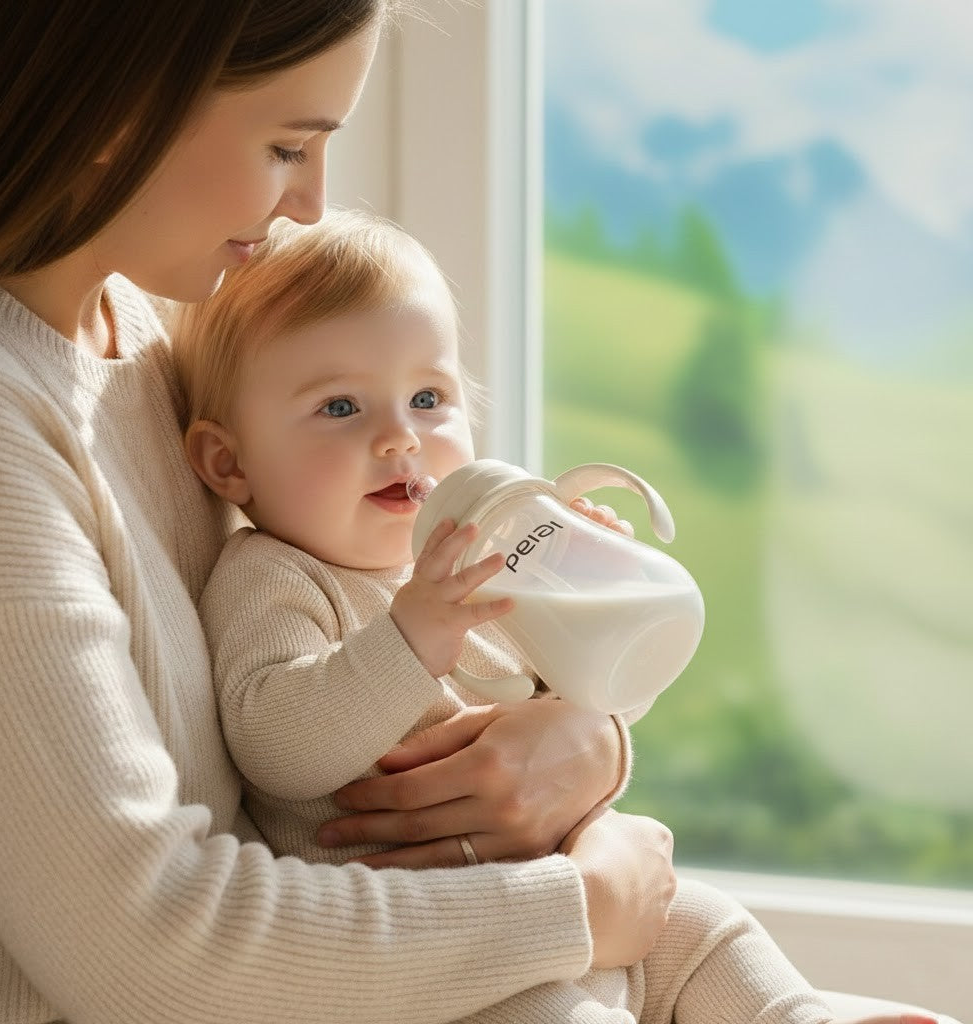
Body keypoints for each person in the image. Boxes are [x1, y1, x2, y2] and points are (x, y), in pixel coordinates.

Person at [0, 3, 941, 1024]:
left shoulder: (160, 337)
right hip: (368, 961)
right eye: (289, 144)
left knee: (708, 930)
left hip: (425, 930)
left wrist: (580, 741)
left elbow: (490, 673)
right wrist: (585, 904)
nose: (309, 203)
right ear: (122, 105)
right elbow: (154, 949)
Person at [169, 207, 882, 1024]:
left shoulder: (478, 556)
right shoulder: (273, 575)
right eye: (340, 408)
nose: (401, 439)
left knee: (705, 923)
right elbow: (278, 748)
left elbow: (599, 693)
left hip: (568, 892)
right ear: (229, 463)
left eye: (428, 397)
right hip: (460, 962)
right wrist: (411, 638)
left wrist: (588, 584)